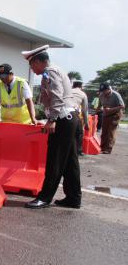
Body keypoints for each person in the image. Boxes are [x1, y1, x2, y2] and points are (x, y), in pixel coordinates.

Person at [22, 45, 82, 209]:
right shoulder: (53, 71)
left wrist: (52, 120)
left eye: (32, 64)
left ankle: (45, 197)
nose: (32, 69)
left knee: (54, 159)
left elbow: (56, 97)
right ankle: (73, 197)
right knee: (70, 162)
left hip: (63, 118)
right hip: (69, 118)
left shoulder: (51, 72)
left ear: (40, 61)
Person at [97, 83, 125, 154]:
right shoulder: (101, 95)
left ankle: (108, 149)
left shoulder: (116, 95)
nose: (103, 92)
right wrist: (97, 111)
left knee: (111, 132)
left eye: (105, 90)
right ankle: (102, 147)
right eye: (102, 91)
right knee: (104, 132)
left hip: (115, 114)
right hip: (106, 114)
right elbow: (99, 106)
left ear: (109, 89)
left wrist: (111, 109)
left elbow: (122, 106)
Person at [71, 80, 89, 156]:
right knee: (79, 133)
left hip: (62, 113)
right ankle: (78, 151)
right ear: (81, 87)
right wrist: (86, 124)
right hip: (74, 113)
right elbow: (85, 111)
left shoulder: (68, 91)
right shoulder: (83, 94)